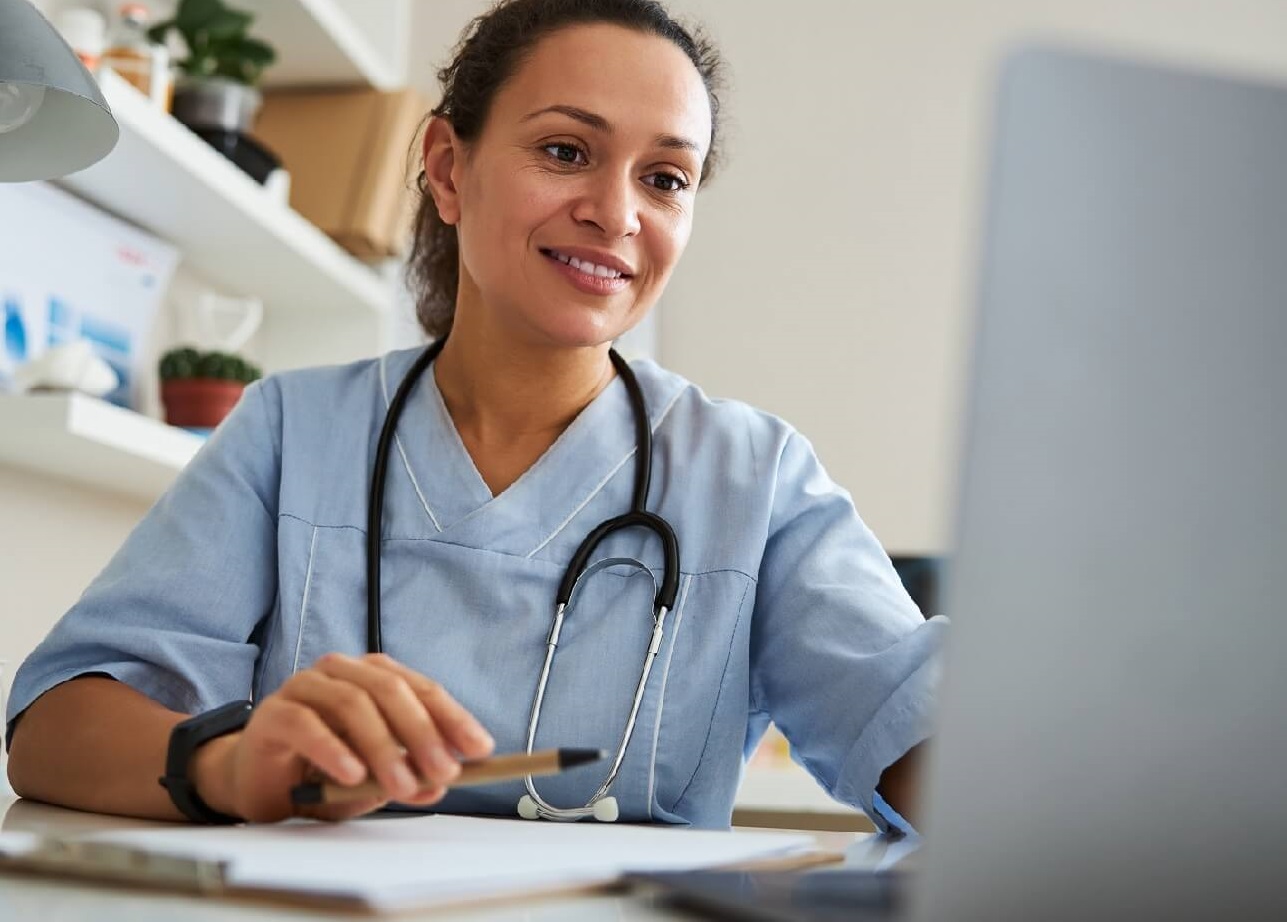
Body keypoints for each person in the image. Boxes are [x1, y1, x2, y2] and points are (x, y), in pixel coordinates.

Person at [5, 0, 946, 832]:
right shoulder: (293, 431)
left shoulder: (755, 476)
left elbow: (918, 737)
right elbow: (54, 728)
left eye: (665, 178)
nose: (616, 213)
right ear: (448, 169)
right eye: (565, 151)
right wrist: (234, 762)